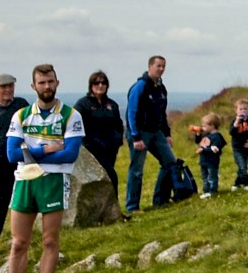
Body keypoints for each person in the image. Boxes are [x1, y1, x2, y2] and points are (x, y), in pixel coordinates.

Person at [4, 64, 81, 273]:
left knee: (50, 240)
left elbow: (70, 153)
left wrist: (30, 153)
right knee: (18, 242)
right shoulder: (21, 115)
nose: (46, 87)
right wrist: (46, 150)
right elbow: (11, 154)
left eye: (50, 82)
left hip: (54, 181)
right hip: (25, 181)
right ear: (33, 86)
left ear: (57, 83)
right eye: (41, 83)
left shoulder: (71, 115)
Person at [122, 55, 175, 214]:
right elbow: (131, 112)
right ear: (150, 66)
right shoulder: (140, 86)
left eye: (163, 66)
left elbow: (162, 113)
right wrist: (136, 137)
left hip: (156, 131)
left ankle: (160, 200)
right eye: (158, 66)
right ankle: (132, 206)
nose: (161, 69)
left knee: (170, 162)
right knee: (137, 170)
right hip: (140, 132)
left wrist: (167, 133)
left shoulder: (161, 88)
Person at [74, 72, 124, 197]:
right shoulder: (83, 105)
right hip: (92, 151)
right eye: (96, 83)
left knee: (106, 181)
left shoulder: (112, 105)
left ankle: (109, 211)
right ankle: (113, 211)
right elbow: (75, 127)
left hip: (110, 150)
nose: (100, 85)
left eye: (103, 83)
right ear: (91, 85)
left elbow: (118, 125)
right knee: (111, 177)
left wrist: (117, 141)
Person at [0, 76, 20, 256]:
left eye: (10, 86)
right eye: (3, 87)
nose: (8, 90)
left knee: (2, 205)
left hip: (11, 163)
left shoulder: (21, 105)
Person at [229, 99, 248, 191]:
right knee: (242, 166)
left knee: (243, 167)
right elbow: (231, 132)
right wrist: (237, 123)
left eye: (245, 109)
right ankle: (247, 183)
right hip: (237, 148)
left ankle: (237, 183)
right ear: (236, 110)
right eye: (241, 109)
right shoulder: (234, 121)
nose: (243, 111)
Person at [191, 114, 225, 196]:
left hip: (212, 161)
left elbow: (215, 149)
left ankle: (212, 191)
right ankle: (206, 190)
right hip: (204, 160)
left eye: (205, 126)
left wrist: (203, 150)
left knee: (212, 176)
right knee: (204, 176)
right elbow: (197, 141)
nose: (203, 128)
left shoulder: (217, 137)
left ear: (212, 126)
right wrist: (198, 134)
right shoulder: (206, 135)